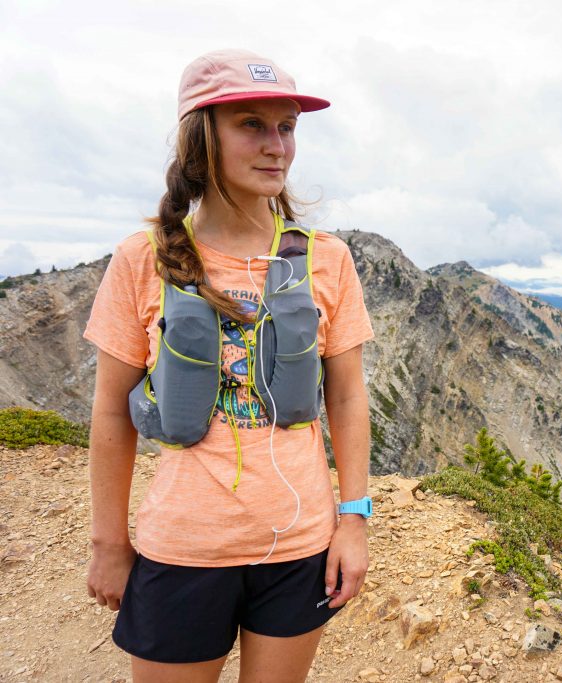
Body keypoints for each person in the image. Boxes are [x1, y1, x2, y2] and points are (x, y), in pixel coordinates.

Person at [84, 49, 375, 682]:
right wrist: (109, 542)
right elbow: (111, 410)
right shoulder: (143, 260)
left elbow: (348, 398)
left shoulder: (329, 261)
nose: (278, 145)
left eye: (287, 126)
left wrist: (354, 521)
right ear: (200, 138)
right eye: (251, 124)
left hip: (300, 547)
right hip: (183, 547)